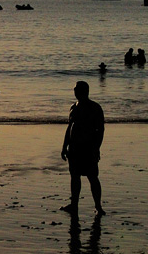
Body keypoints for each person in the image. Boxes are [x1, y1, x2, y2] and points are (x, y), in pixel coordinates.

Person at [60, 80, 105, 216]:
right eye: (74, 90)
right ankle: (74, 205)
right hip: (74, 148)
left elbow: (100, 130)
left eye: (77, 90)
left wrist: (96, 148)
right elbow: (69, 129)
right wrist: (64, 146)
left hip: (88, 147)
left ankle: (98, 206)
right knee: (74, 176)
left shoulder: (94, 108)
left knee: (92, 177)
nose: (75, 92)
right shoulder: (73, 107)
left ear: (85, 91)